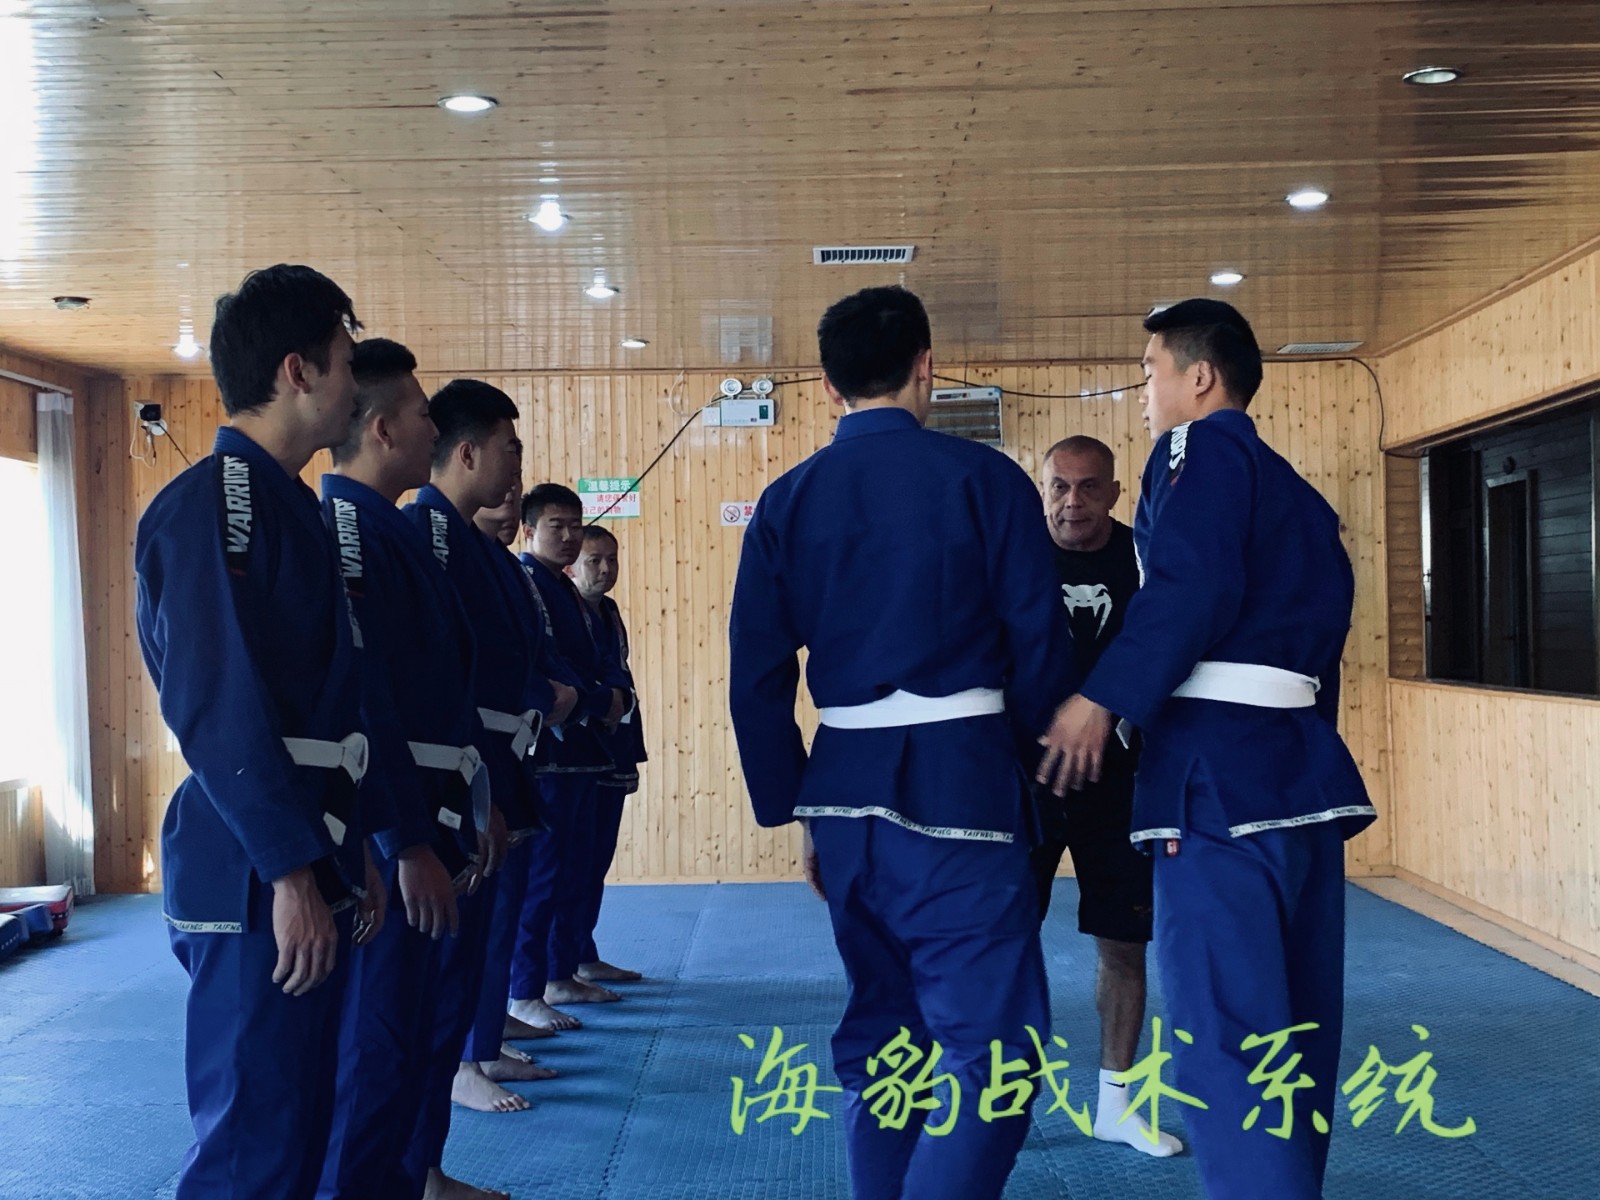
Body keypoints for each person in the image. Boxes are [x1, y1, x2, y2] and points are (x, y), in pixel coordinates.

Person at [728, 285, 1075, 1200]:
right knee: (995, 1053)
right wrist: (1033, 765)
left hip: (844, 794)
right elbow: (1039, 644)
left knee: (885, 1035)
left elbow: (756, 675)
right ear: (927, 367)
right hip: (961, 786)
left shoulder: (786, 499)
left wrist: (797, 806)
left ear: (829, 384)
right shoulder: (986, 480)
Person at [1038, 298, 1377, 1199]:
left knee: (1226, 1032)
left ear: (1199, 378)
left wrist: (1102, 699)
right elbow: (1323, 637)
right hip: (1298, 774)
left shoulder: (1197, 448)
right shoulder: (1295, 492)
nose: (1144, 391)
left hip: (1215, 778)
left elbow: (1191, 587)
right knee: (1295, 1027)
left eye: (1150, 371)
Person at [134, 264, 385, 1199]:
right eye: (346, 362)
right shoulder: (215, 505)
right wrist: (289, 871)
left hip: (308, 843)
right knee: (253, 1136)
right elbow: (217, 703)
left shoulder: (289, 503)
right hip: (252, 865)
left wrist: (352, 852)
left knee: (302, 1123)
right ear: (298, 370)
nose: (355, 385)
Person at [316, 338, 484, 1200]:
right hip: (389, 825)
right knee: (377, 1043)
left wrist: (470, 804)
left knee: (416, 1031)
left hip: (428, 806)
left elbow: (436, 690)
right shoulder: (348, 527)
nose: (433, 429)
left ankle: (409, 1179)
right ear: (383, 429)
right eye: (422, 414)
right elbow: (366, 696)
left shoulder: (392, 526)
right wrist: (403, 840)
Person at [401, 380, 554, 1198]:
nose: (516, 465)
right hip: (445, 788)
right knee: (426, 995)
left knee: (456, 978)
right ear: (467, 453)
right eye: (509, 447)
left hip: (486, 771)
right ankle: (415, 1167)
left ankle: (426, 1164)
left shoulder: (471, 545)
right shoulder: (422, 534)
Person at [508, 484, 634, 1023]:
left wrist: (610, 695)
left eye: (575, 526)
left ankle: (560, 971)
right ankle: (527, 989)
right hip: (550, 752)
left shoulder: (564, 590)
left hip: (585, 747)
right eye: (556, 526)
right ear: (528, 531)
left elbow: (602, 664)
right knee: (543, 876)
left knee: (575, 869)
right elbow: (548, 664)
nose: (568, 537)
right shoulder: (526, 581)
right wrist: (596, 699)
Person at [570, 525, 647, 983]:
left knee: (598, 857)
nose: (605, 569)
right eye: (594, 560)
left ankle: (583, 951)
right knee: (571, 863)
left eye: (611, 559)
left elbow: (619, 674)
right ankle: (556, 966)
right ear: (571, 565)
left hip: (614, 741)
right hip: (578, 745)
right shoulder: (563, 608)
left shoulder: (610, 611)